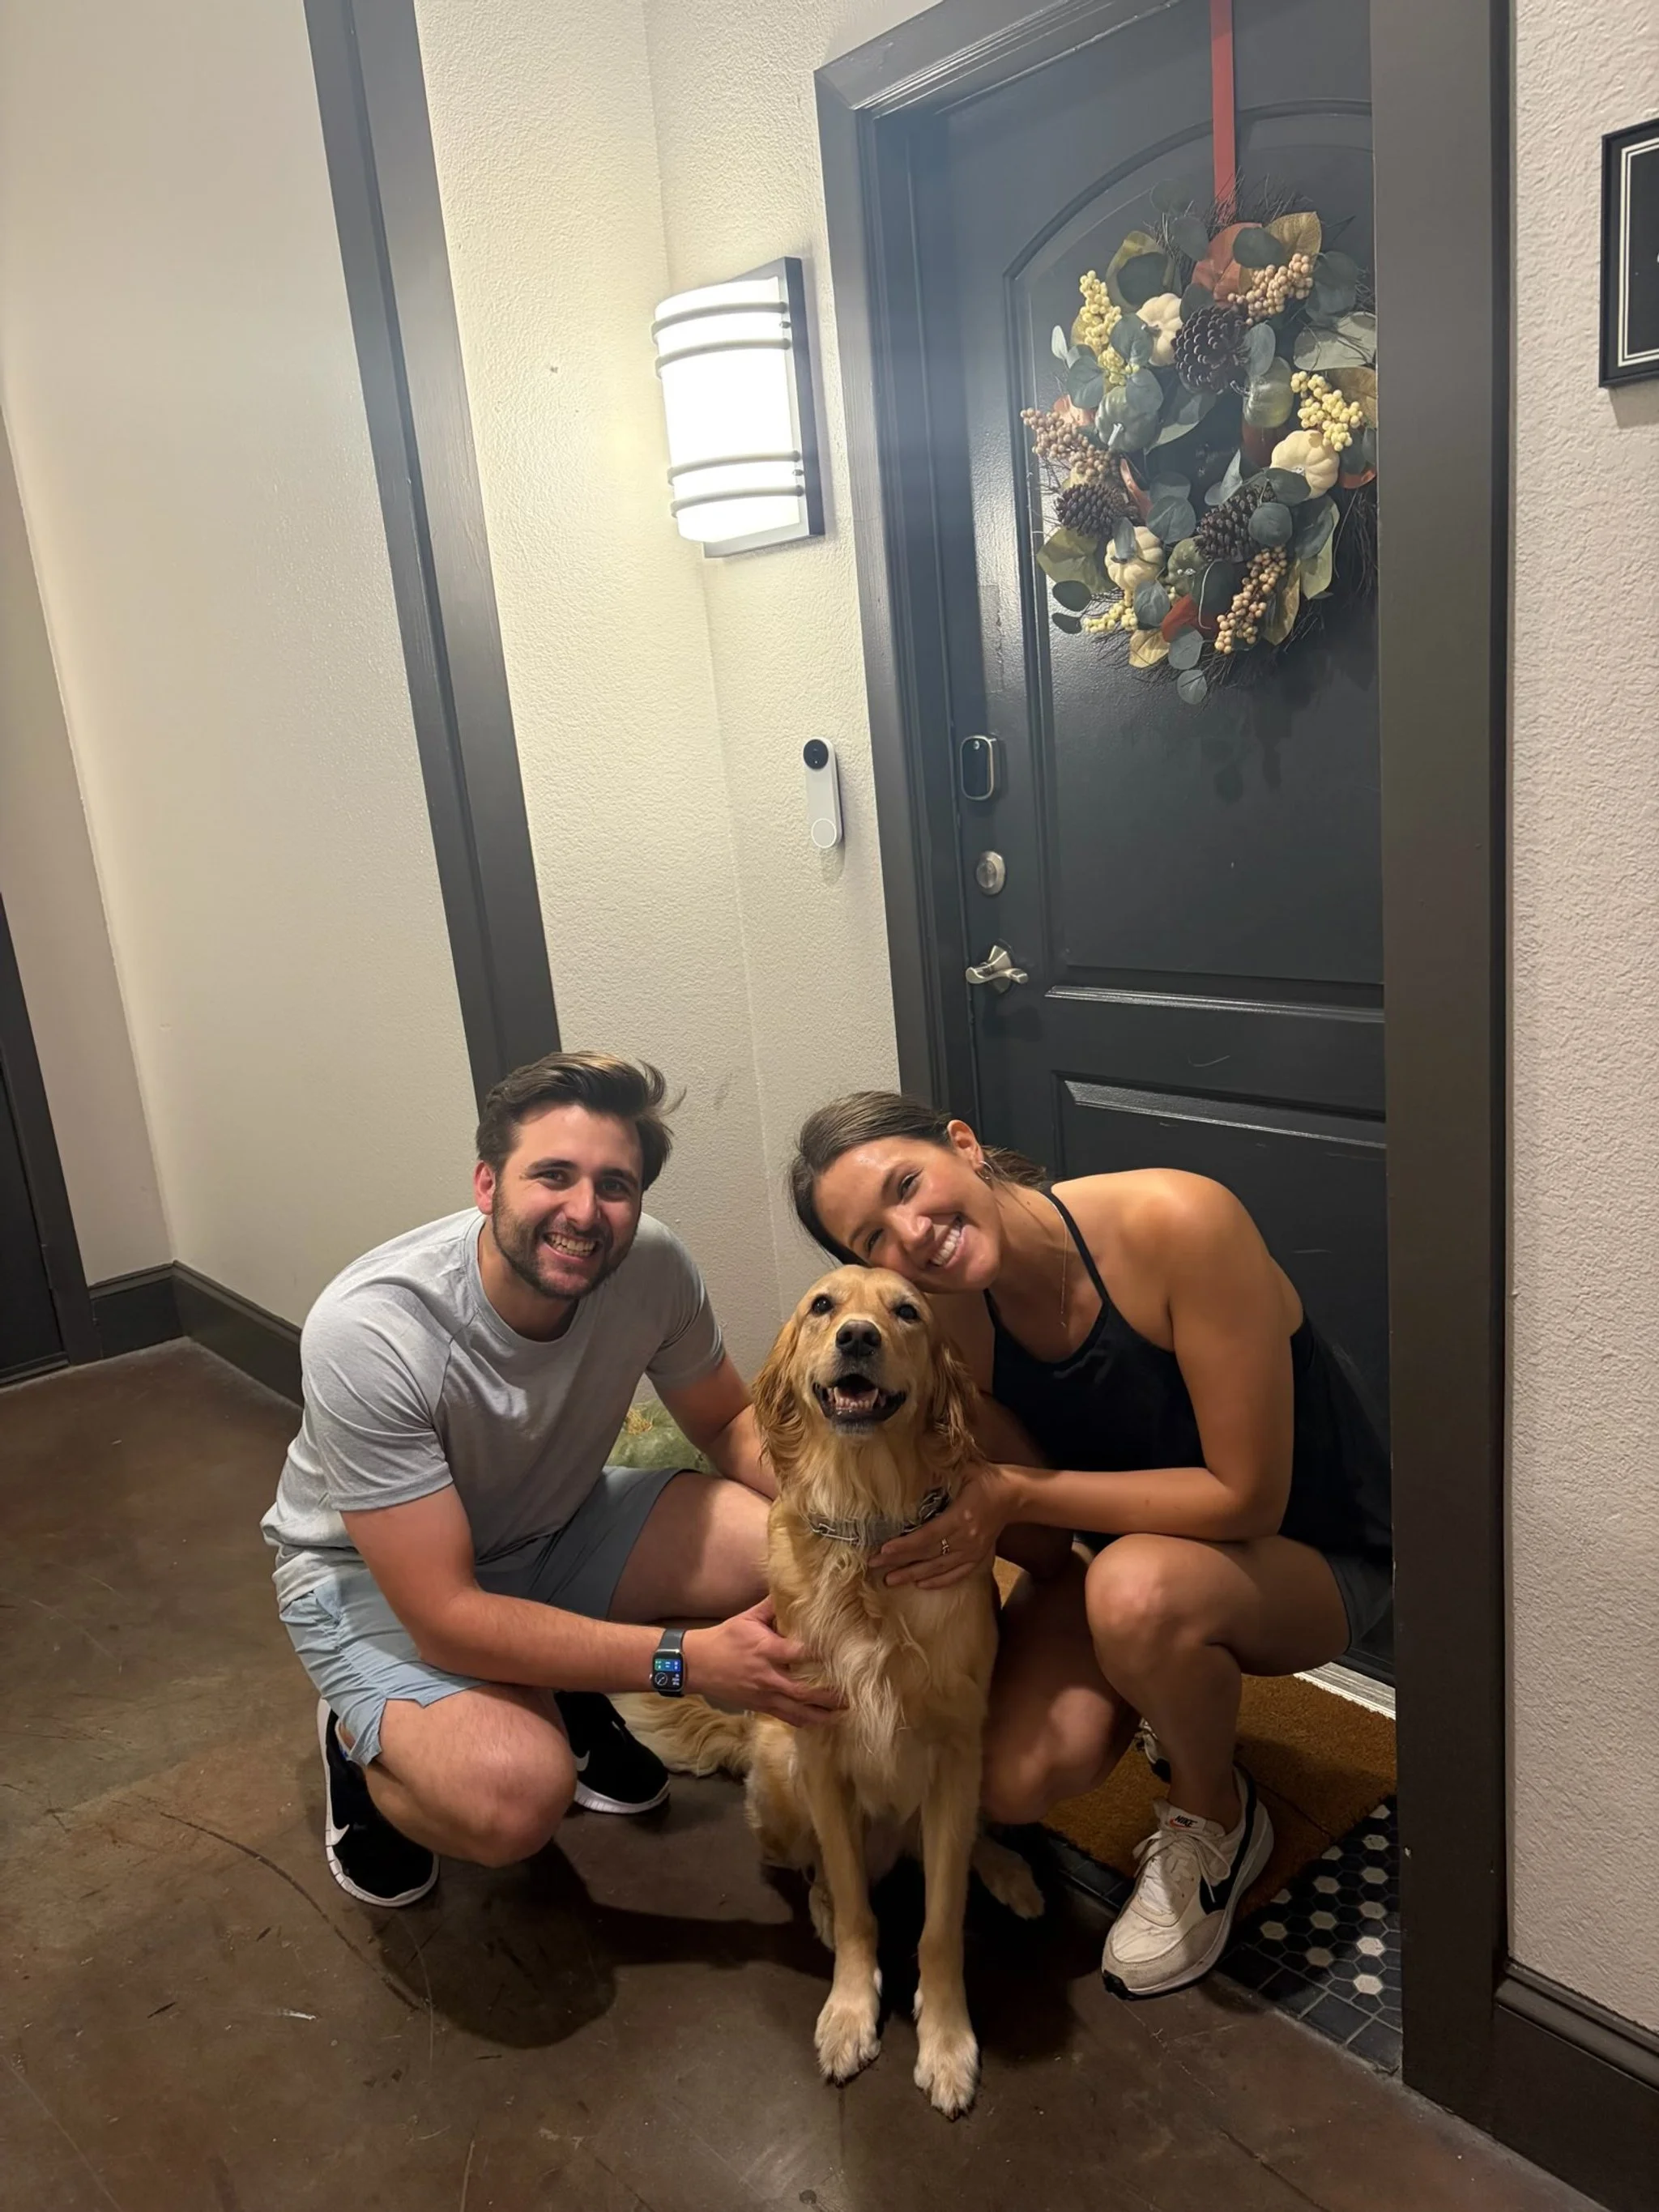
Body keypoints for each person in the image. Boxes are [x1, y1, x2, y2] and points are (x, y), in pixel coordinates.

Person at [790, 1092, 1391, 2000]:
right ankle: (1161, 1682)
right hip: (1121, 1557)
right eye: (870, 1238)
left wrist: (1013, 1493)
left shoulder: (1179, 1220)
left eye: (909, 1185)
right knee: (1008, 1782)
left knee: (1133, 1593)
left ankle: (1215, 1818)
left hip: (1310, 1548)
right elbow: (1037, 1547)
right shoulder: (944, 1323)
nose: (910, 1234)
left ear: (963, 1143)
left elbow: (1245, 1497)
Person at [262, 1051, 838, 1908]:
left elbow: (724, 1423)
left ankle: (552, 1678)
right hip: (375, 1583)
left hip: (556, 1523)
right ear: (487, 1184)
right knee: (511, 1798)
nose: (585, 1211)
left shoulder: (651, 1264)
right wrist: (683, 1662)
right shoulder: (373, 1329)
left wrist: (845, 1516)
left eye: (615, 1185)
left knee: (794, 1550)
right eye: (553, 1175)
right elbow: (448, 1614)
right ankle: (362, 1736)